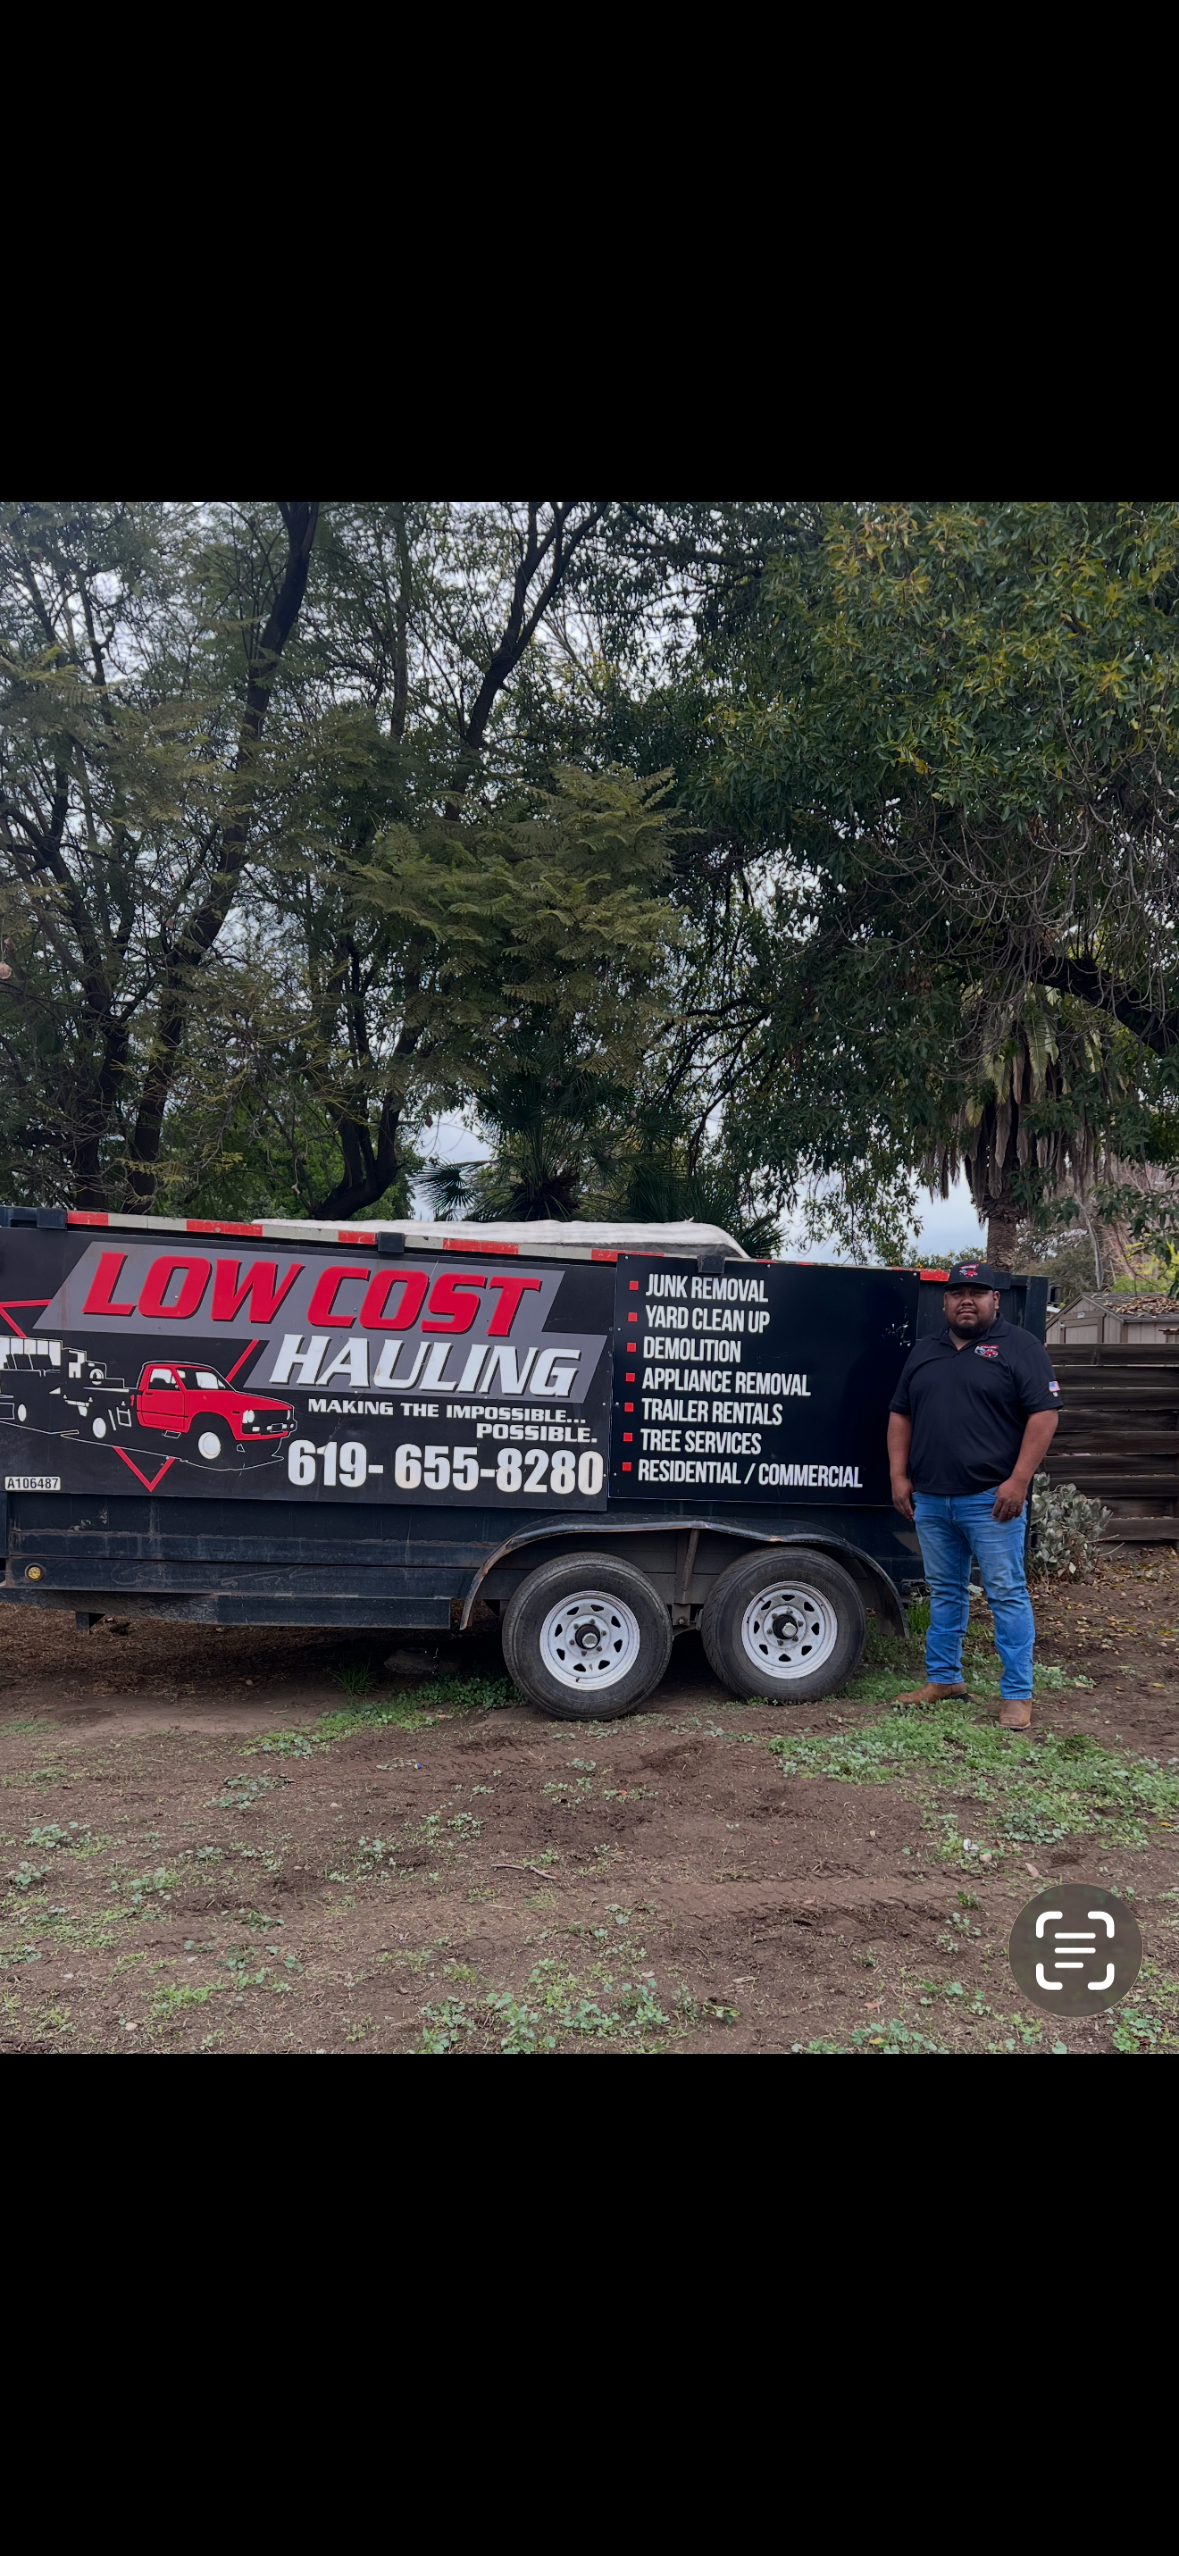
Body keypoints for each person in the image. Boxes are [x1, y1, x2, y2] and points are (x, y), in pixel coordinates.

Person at [886, 1262, 1060, 1729]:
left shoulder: (1019, 1348)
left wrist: (1018, 1481)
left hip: (991, 1500)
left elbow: (1044, 1416)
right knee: (944, 1592)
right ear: (944, 1301)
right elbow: (900, 1415)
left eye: (977, 1292)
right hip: (932, 1499)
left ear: (995, 1300)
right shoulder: (925, 1351)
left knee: (1005, 1593)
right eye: (958, 1292)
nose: (967, 1300)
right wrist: (898, 1476)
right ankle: (944, 1679)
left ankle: (1017, 1695)